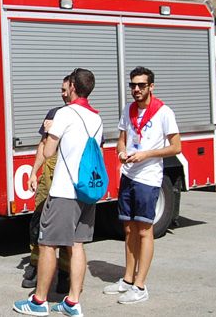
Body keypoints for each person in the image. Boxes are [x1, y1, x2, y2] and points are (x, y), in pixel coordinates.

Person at [14, 68, 102, 317]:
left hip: (64, 191)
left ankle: (38, 301)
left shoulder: (64, 114)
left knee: (47, 245)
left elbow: (49, 151)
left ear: (73, 86)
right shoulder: (96, 117)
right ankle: (73, 302)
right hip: (86, 191)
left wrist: (51, 127)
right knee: (77, 246)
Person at [103, 66, 181, 304]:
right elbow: (122, 140)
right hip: (129, 173)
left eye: (141, 85)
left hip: (148, 177)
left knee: (145, 230)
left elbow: (176, 147)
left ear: (151, 87)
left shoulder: (163, 112)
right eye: (133, 85)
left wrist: (146, 155)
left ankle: (140, 285)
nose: (136, 90)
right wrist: (122, 151)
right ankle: (127, 279)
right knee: (128, 229)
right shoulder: (128, 109)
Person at [24, 76, 71, 292]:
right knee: (38, 222)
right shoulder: (53, 113)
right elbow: (44, 145)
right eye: (60, 90)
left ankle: (64, 274)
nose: (62, 94)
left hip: (69, 174)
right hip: (49, 173)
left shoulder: (84, 116)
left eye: (65, 89)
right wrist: (34, 173)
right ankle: (35, 265)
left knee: (66, 229)